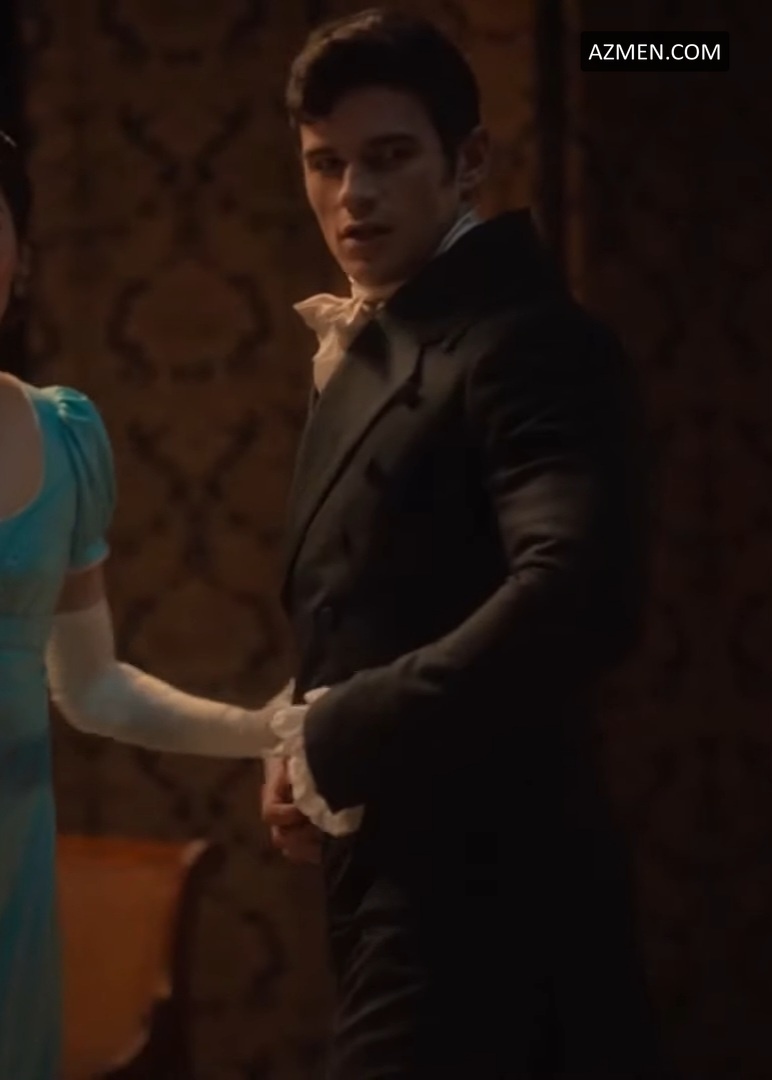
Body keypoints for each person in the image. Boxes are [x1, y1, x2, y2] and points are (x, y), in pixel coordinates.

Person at [261, 9, 667, 1078]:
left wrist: (343, 732)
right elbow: (385, 596)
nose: (354, 194)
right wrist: (301, 742)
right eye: (326, 164)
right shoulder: (395, 336)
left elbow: (578, 591)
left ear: (468, 159)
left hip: (495, 886)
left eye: (389, 157)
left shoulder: (526, 340)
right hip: (398, 881)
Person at [0, 131, 291, 1079]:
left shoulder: (60, 434)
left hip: (10, 871)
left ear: (21, 254)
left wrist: (268, 729)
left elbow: (91, 689)